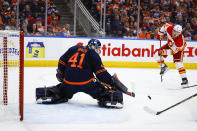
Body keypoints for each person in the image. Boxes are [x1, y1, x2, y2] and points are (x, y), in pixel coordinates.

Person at [36, 39, 135, 108]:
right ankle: (109, 98)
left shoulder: (74, 48)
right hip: (87, 84)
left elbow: (62, 60)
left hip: (69, 83)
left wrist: (61, 75)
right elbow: (101, 74)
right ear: (94, 47)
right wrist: (112, 84)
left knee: (62, 90)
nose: (98, 50)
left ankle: (47, 93)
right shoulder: (93, 55)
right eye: (98, 48)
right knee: (100, 91)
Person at [156, 23, 188, 87]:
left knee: (178, 63)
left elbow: (172, 51)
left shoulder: (180, 42)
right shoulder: (170, 28)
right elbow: (164, 25)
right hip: (170, 44)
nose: (174, 33)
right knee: (156, 54)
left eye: (176, 32)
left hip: (178, 50)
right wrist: (160, 34)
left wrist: (163, 52)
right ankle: (164, 67)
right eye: (174, 31)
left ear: (179, 33)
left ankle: (184, 79)